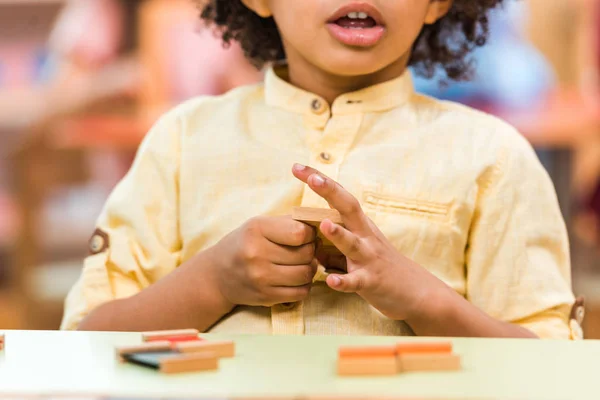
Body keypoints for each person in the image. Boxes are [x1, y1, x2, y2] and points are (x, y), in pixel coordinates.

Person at [61, 0, 578, 339]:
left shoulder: (493, 155)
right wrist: (214, 281)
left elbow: (554, 367)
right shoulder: (182, 140)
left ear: (438, 3)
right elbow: (88, 338)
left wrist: (423, 299)